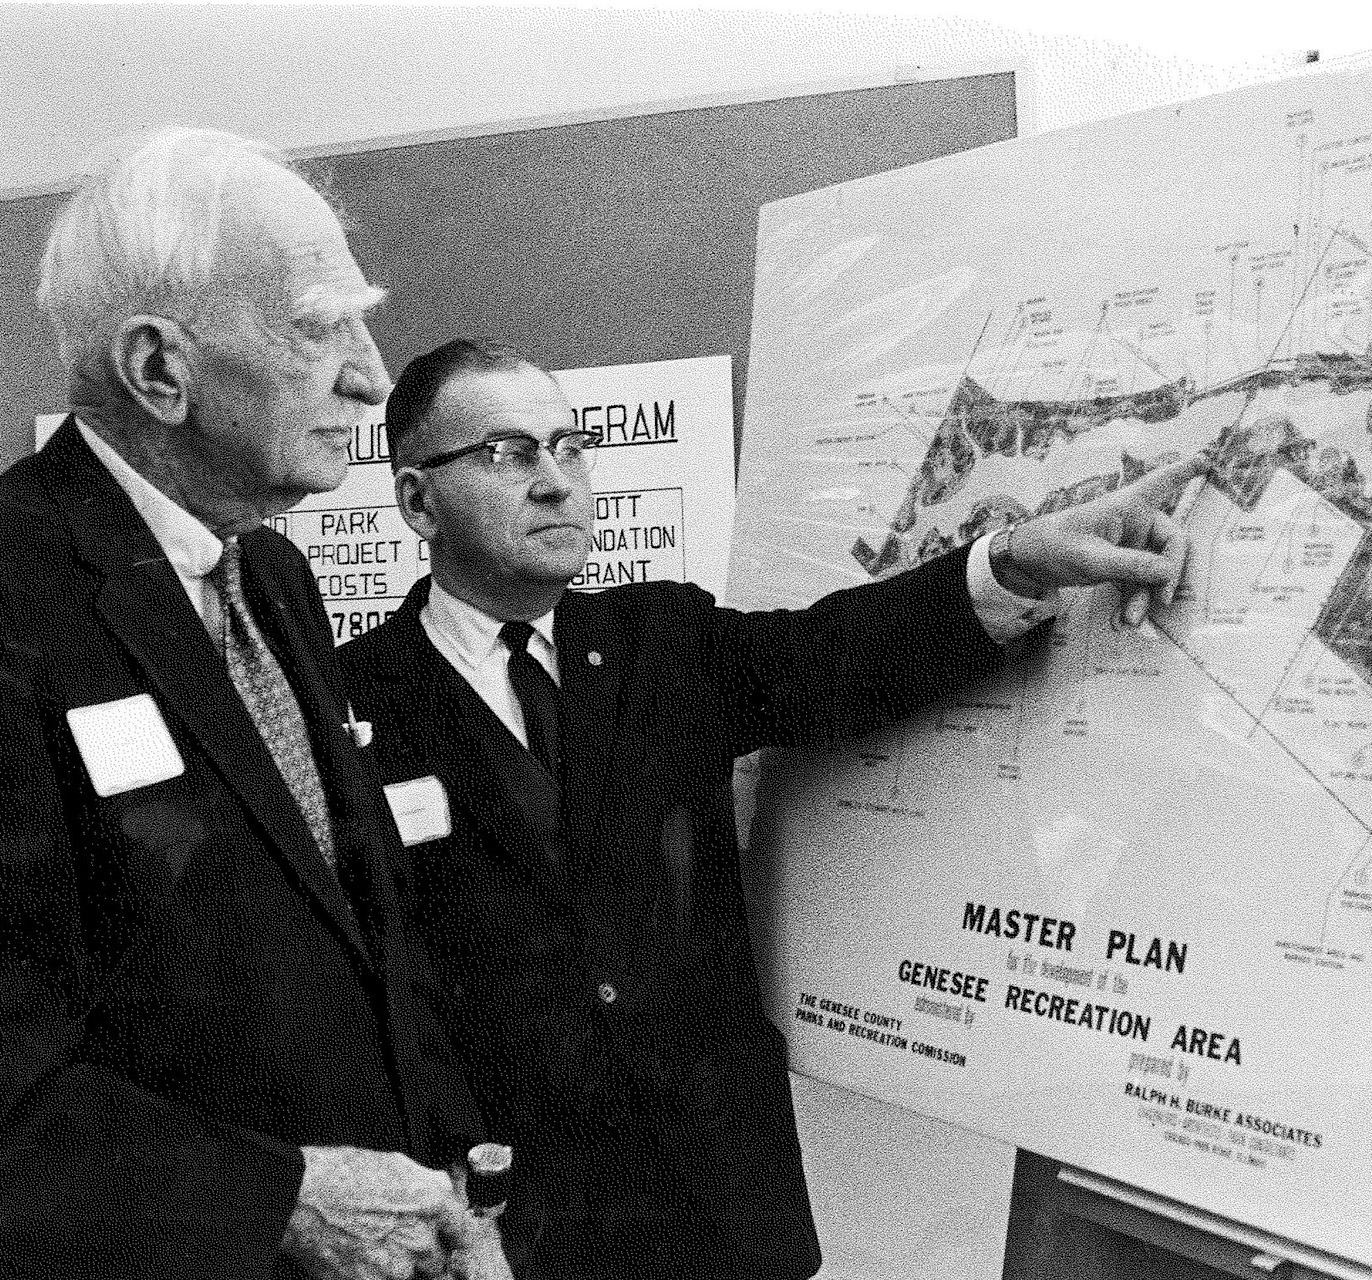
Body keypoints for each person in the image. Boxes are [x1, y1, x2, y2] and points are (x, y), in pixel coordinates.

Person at [338, 337, 1203, 1279]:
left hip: (716, 1201)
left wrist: (1020, 559)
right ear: (417, 501)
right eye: (506, 454)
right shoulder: (348, 705)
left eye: (570, 446)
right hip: (511, 1225)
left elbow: (836, 655)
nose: (554, 481)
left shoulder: (658, 639)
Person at [0, 131, 513, 1279]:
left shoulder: (272, 575)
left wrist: (456, 1200)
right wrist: (279, 1201)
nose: (375, 374)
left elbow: (367, 920)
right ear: (159, 370)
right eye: (321, 322)